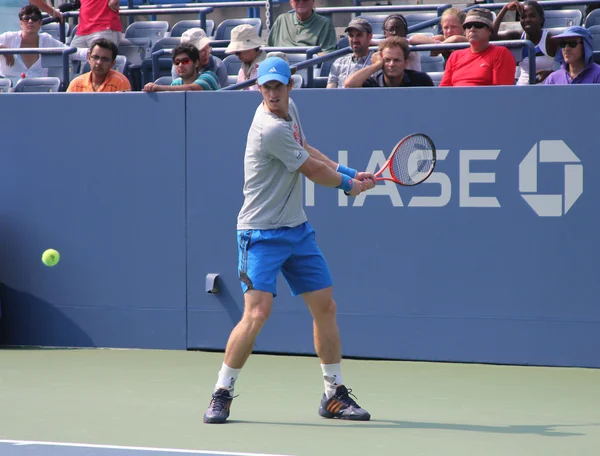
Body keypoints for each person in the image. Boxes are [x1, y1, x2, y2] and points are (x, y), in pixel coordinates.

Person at [202, 56, 376, 425]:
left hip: (296, 229)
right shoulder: (268, 128)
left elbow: (309, 149)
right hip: (260, 233)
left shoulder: (290, 110)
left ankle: (333, 394)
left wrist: (346, 171)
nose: (272, 93)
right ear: (259, 88)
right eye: (266, 87)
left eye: (278, 86)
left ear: (289, 86)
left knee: (325, 307)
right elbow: (311, 170)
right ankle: (221, 391)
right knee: (257, 312)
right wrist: (348, 186)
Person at [0, 5, 85, 86]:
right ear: (21, 23)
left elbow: (70, 52)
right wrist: (2, 48)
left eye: (34, 18)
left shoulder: (46, 39)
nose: (30, 21)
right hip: (9, 92)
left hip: (40, 91)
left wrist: (90, 52)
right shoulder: (8, 37)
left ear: (40, 23)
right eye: (26, 18)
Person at [440, 8, 516, 86]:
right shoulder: (455, 56)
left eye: (478, 25)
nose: (472, 29)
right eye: (468, 26)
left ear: (489, 30)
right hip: (455, 97)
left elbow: (501, 93)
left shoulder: (500, 53)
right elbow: (443, 91)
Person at [492, 1, 558, 85]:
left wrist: (551, 73)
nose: (527, 20)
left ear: (541, 19)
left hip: (545, 91)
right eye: (523, 17)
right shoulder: (517, 36)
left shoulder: (549, 39)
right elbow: (492, 37)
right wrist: (505, 8)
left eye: (532, 16)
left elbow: (569, 67)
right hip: (521, 90)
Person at [344, 36, 434, 88]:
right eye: (387, 60)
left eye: (396, 60)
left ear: (405, 63)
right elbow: (349, 85)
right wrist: (376, 65)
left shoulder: (421, 80)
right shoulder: (373, 83)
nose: (391, 64)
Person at [143, 43, 220, 92]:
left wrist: (158, 87)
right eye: (177, 62)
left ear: (196, 63)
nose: (180, 65)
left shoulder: (209, 76)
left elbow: (191, 89)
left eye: (185, 61)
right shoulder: (176, 83)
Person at [267, 0, 337, 54]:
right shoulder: (281, 20)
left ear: (313, 1)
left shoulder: (324, 24)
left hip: (308, 68)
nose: (301, 1)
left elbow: (329, 53)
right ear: (291, 1)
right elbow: (267, 49)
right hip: (278, 67)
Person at [327, 18, 374, 89]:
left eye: (359, 35)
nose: (355, 40)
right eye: (351, 35)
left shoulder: (376, 62)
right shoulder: (339, 62)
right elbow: (329, 93)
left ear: (369, 37)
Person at [224, 24, 266, 90]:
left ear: (251, 48)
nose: (237, 56)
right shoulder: (243, 69)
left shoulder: (267, 68)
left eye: (238, 52)